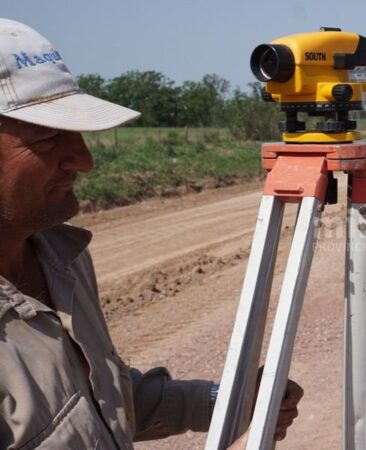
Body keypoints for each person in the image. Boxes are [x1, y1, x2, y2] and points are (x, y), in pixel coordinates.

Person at [0, 18, 302, 449]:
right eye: (49, 140)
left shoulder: (62, 257)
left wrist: (226, 402)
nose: (83, 160)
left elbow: (94, 402)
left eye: (79, 135)